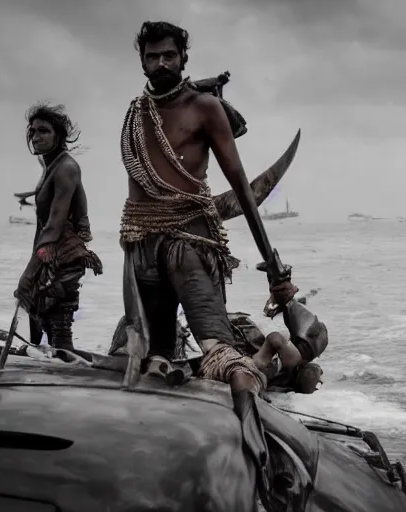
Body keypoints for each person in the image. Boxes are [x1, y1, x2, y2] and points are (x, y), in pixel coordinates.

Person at [119, 21, 296, 394]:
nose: (162, 63)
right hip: (141, 244)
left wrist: (273, 268)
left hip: (190, 243)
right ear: (142, 63)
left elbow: (242, 187)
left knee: (218, 353)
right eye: (153, 57)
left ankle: (270, 351)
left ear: (184, 58)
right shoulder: (135, 114)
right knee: (151, 355)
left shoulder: (205, 107)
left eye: (170, 55)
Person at [14, 103, 103, 353]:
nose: (36, 137)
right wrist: (35, 266)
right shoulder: (49, 167)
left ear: (59, 136)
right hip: (50, 258)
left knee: (60, 334)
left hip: (64, 258)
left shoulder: (66, 168)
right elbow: (44, 227)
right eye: (33, 132)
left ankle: (72, 381)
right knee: (43, 328)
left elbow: (54, 226)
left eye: (44, 131)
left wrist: (28, 274)